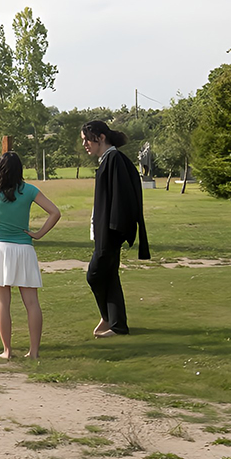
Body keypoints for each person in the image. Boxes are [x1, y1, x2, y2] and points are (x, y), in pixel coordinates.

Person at [0, 152, 61, 359]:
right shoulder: (30, 190)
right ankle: (33, 352)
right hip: (24, 249)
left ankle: (7, 350)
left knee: (2, 302)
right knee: (32, 303)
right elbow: (55, 212)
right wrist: (38, 234)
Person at [81, 120, 150, 337]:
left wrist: (114, 231)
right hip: (106, 232)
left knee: (94, 274)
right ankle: (117, 324)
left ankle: (110, 318)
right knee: (109, 276)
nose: (85, 144)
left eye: (87, 139)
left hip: (110, 233)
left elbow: (122, 198)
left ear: (101, 137)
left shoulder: (114, 160)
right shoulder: (108, 160)